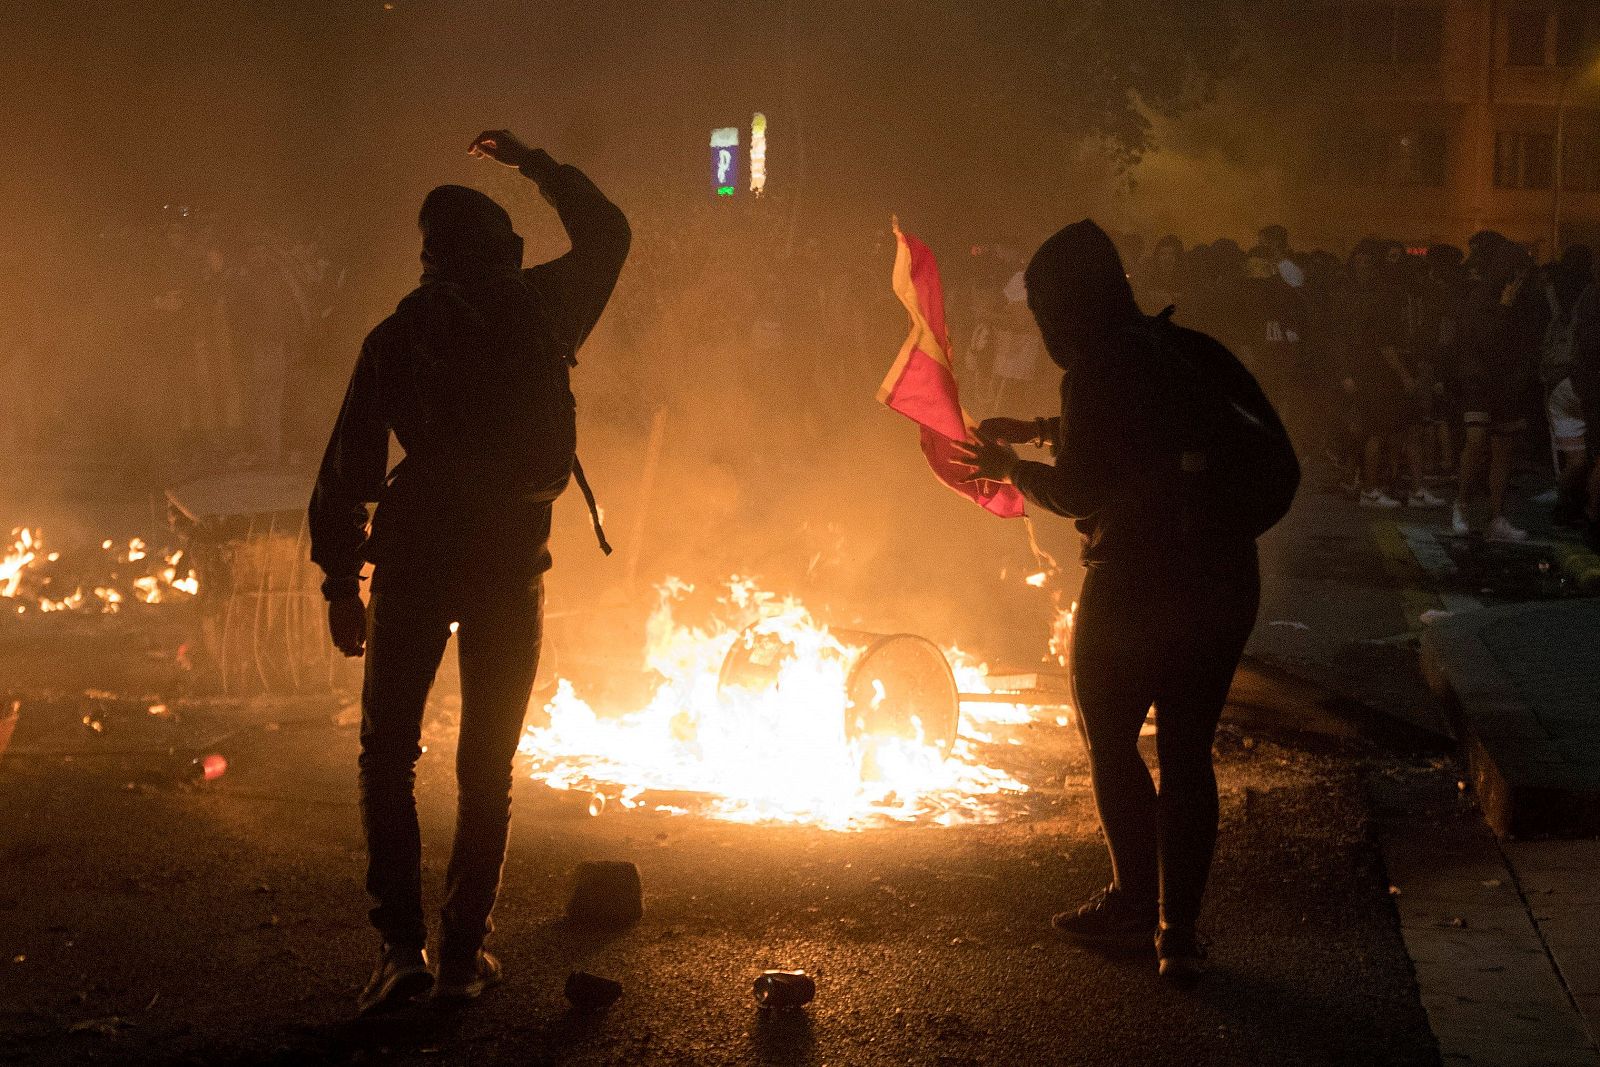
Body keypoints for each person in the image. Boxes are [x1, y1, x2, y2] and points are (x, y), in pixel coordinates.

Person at [309, 130, 630, 1014]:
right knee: (487, 766)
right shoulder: (543, 307)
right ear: (506, 247)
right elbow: (610, 233)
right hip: (508, 566)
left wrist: (341, 582)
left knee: (388, 757)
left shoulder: (400, 334)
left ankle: (399, 949)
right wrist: (534, 161)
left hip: (414, 563)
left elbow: (349, 467)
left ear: (431, 255)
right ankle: (462, 955)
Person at [953, 220, 1295, 986]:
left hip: (1134, 582)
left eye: (1043, 310)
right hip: (1221, 577)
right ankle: (1178, 933)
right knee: (1187, 750)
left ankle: (1134, 899)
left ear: (1066, 308)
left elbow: (1079, 486)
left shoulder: (1096, 369)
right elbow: (1159, 429)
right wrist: (1043, 428)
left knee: (1110, 736)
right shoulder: (1189, 349)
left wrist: (1011, 465)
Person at [1451, 232, 1548, 540]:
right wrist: (1505, 307)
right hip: (1479, 381)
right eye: (1514, 270)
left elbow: (1529, 341)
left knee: (1504, 450)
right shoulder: (1481, 297)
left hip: (1508, 384)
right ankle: (1461, 505)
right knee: (1477, 443)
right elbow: (1485, 341)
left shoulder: (1528, 300)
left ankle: (1496, 517)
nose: (1519, 276)